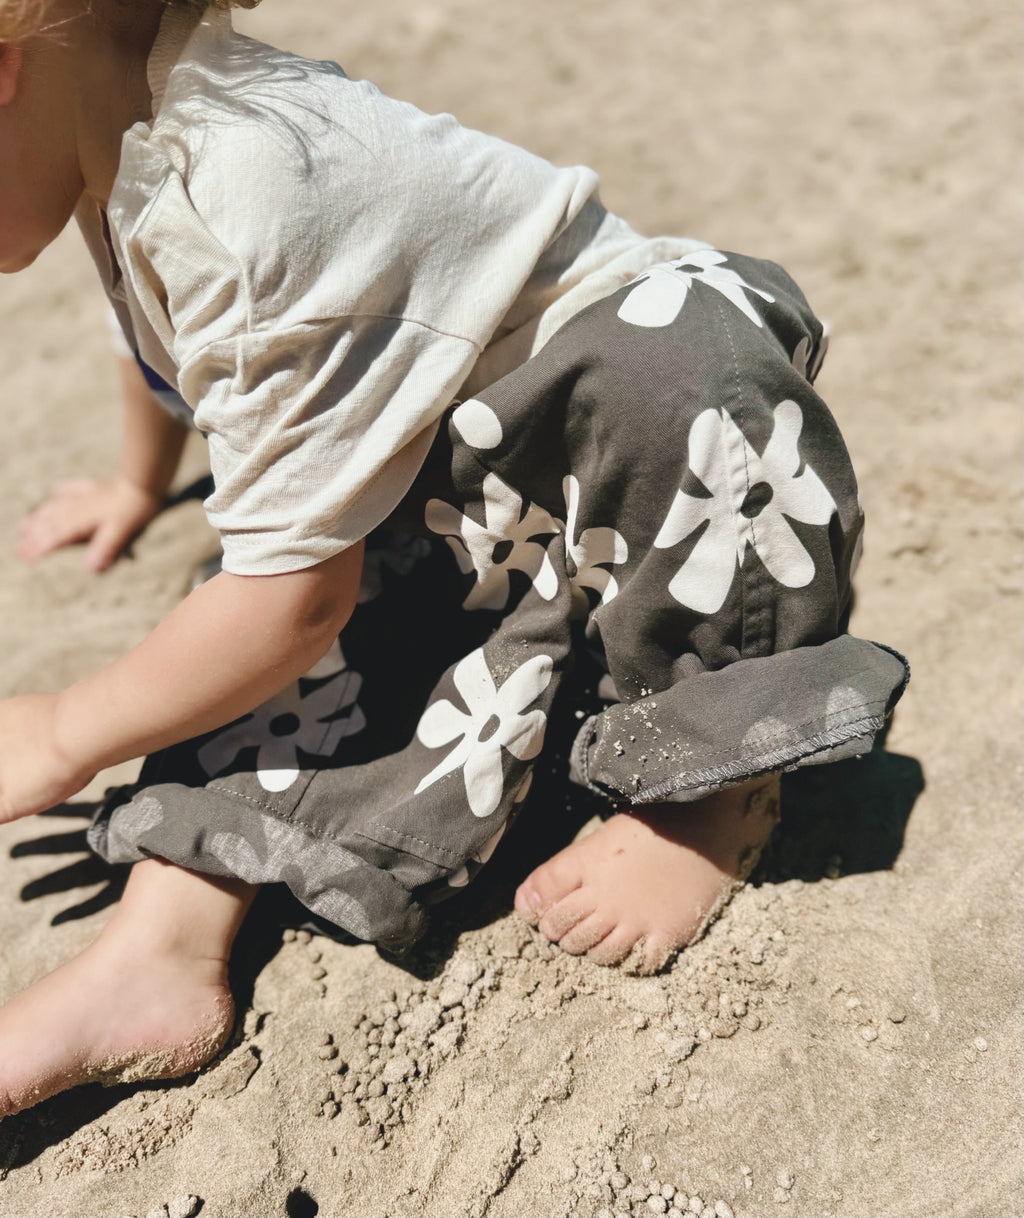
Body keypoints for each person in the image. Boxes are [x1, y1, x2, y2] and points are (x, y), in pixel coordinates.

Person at [0, 0, 908, 1118]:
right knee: (254, 638)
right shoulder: (126, 143)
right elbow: (174, 349)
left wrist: (62, 732)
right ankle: (160, 944)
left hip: (609, 450)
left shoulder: (239, 190)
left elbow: (290, 604)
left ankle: (709, 793)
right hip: (473, 498)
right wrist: (141, 484)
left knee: (673, 369)